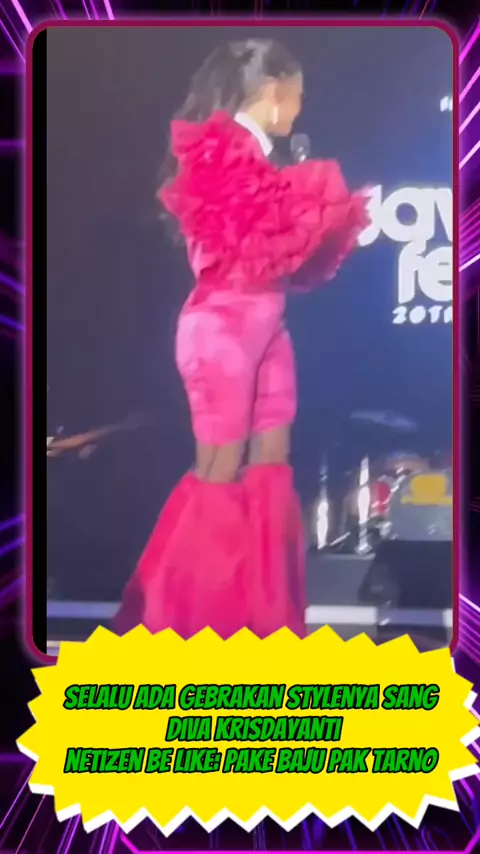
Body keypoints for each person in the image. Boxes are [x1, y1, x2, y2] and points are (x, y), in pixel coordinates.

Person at [114, 39, 370, 640]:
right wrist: (318, 199)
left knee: (271, 463)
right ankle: (185, 627)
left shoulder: (262, 158)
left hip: (267, 327)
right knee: (220, 472)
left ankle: (262, 620)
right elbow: (253, 233)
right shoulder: (217, 149)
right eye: (298, 96)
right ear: (274, 89)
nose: (300, 110)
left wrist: (332, 219)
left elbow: (284, 255)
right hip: (222, 330)